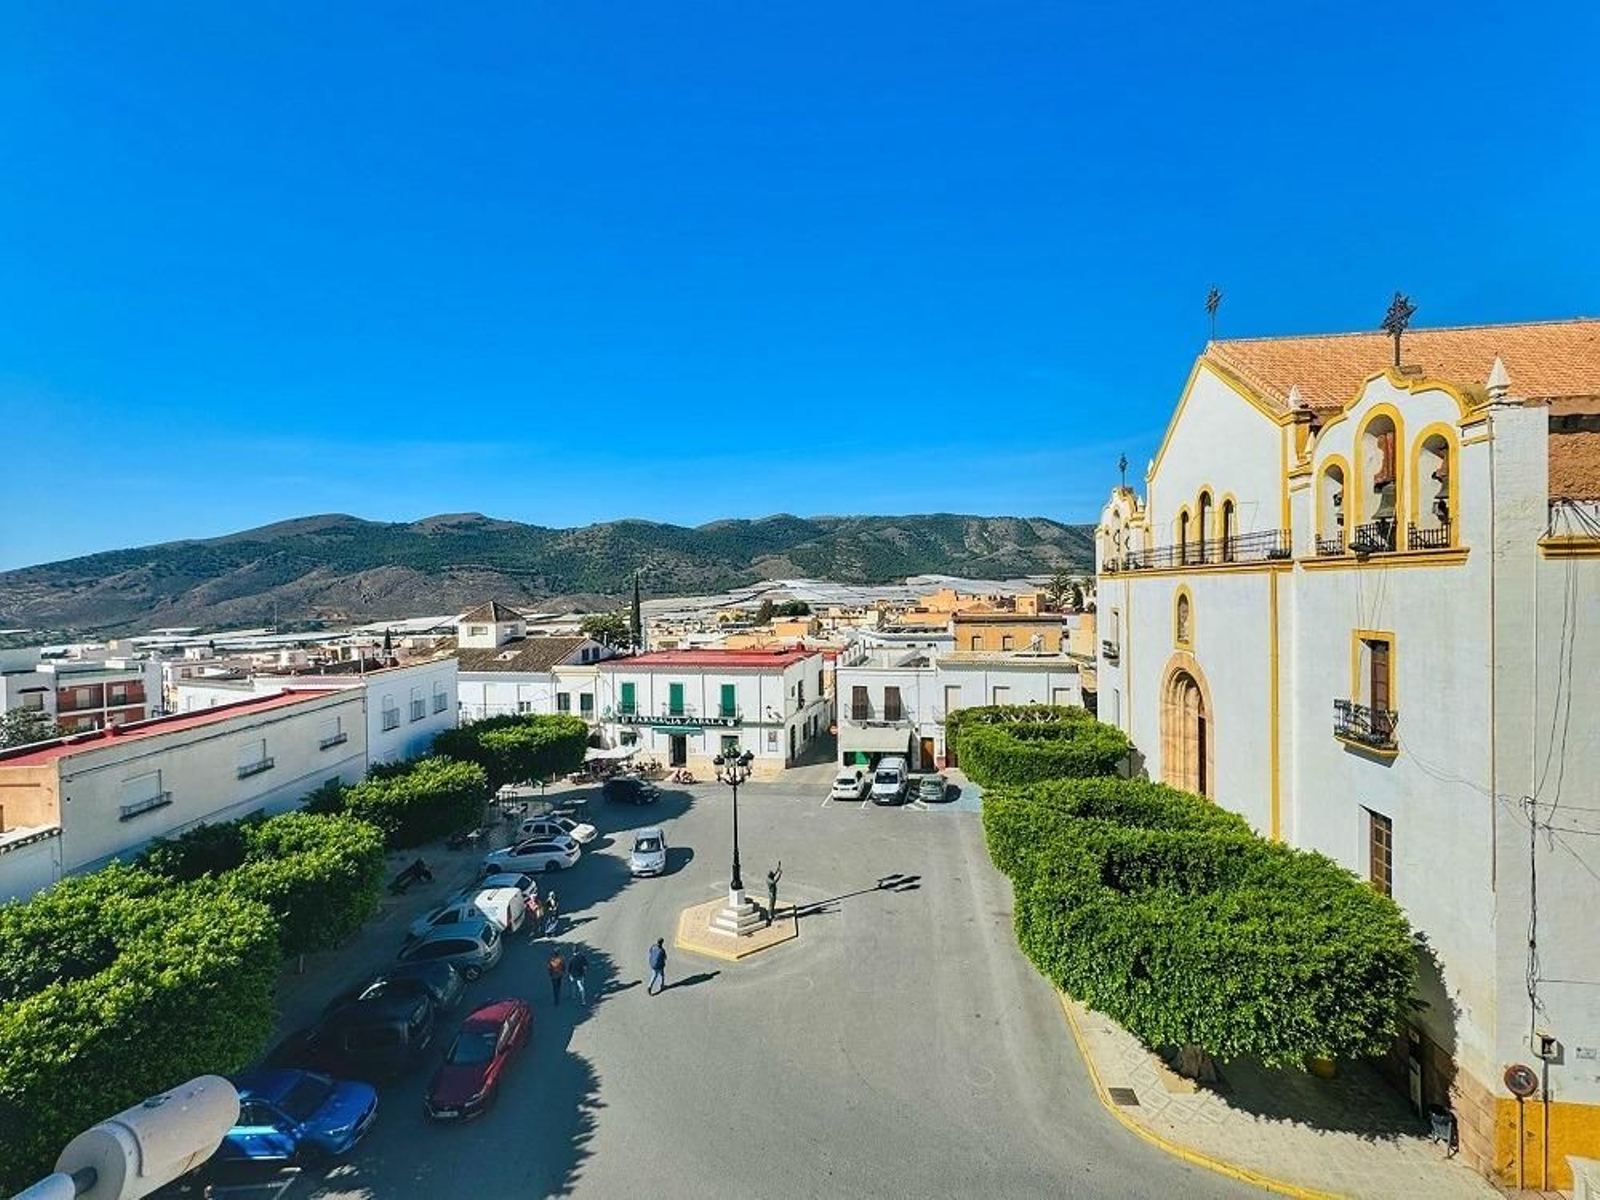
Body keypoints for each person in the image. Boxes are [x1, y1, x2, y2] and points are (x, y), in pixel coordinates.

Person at [766, 861, 783, 927]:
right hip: (771, 894)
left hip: (773, 893)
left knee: (773, 904)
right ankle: (770, 915)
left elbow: (774, 874)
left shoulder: (769, 877)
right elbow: (775, 881)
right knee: (771, 905)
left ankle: (772, 914)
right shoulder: (769, 881)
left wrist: (778, 867)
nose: (772, 874)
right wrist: (780, 875)